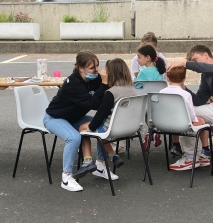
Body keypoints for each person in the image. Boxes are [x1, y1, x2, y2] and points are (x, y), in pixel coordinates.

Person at [43, 51, 119, 192]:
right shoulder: (73, 83)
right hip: (55, 118)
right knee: (74, 138)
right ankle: (66, 178)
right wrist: (103, 84)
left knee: (104, 126)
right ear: (81, 68)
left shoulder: (95, 79)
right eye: (92, 68)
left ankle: (100, 166)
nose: (96, 70)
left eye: (97, 66)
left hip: (75, 118)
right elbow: (94, 104)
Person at [78, 58, 137, 172]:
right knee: (101, 130)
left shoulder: (111, 92)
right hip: (130, 127)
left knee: (83, 128)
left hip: (112, 129)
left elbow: (101, 114)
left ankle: (88, 161)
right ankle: (112, 155)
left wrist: (91, 128)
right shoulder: (132, 90)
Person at [159, 66, 209, 170]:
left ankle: (188, 152)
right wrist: (195, 120)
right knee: (201, 121)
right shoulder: (186, 94)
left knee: (182, 121)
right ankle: (200, 152)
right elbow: (191, 114)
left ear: (167, 78)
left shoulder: (161, 92)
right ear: (184, 79)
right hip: (182, 124)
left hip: (165, 124)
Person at [134, 44, 166, 149]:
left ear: (147, 58)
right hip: (158, 102)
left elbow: (136, 88)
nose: (137, 60)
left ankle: (151, 130)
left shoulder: (142, 72)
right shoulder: (159, 72)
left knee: (143, 110)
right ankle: (154, 131)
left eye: (139, 57)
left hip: (144, 105)